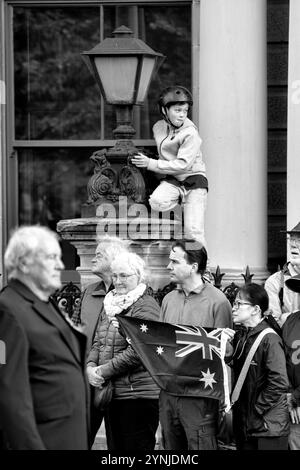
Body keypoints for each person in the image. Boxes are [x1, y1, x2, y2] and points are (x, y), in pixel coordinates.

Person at [0, 225, 89, 450]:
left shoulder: (44, 303)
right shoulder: (7, 310)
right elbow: (9, 395)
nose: (60, 265)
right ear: (24, 263)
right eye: (51, 257)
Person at [159, 239, 232, 450]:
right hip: (169, 393)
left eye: (174, 261)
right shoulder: (168, 299)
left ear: (193, 267)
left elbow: (225, 352)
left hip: (200, 397)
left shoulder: (218, 301)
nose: (168, 266)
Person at [86, 252, 160, 451]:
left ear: (139, 276)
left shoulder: (146, 305)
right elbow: (98, 342)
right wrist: (90, 367)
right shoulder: (110, 303)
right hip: (114, 394)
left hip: (138, 396)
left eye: (124, 276)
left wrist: (102, 372)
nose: (118, 281)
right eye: (115, 275)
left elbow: (138, 351)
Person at [131, 86, 208, 246]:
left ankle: (202, 270)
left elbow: (183, 164)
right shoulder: (158, 128)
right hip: (173, 180)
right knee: (157, 202)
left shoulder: (191, 134)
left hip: (193, 180)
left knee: (193, 231)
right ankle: (185, 215)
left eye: (185, 111)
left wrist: (150, 163)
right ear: (165, 110)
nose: (182, 115)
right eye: (177, 110)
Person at [73, 236, 130, 446]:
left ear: (115, 260)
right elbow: (76, 329)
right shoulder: (89, 291)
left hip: (120, 381)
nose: (93, 259)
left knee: (119, 443)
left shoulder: (134, 294)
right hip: (87, 378)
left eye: (99, 255)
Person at [229, 283, 290, 450]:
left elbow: (279, 383)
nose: (233, 308)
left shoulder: (270, 339)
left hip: (268, 428)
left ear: (255, 309)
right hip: (248, 425)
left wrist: (255, 411)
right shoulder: (242, 335)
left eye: (238, 304)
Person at [265, 222, 300, 326]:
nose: (293, 244)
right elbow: (275, 322)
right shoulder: (274, 282)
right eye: (291, 239)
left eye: (299, 240)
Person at [281, 274, 300, 449]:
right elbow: (282, 360)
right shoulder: (291, 321)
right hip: (294, 407)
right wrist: (289, 395)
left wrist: (296, 397)